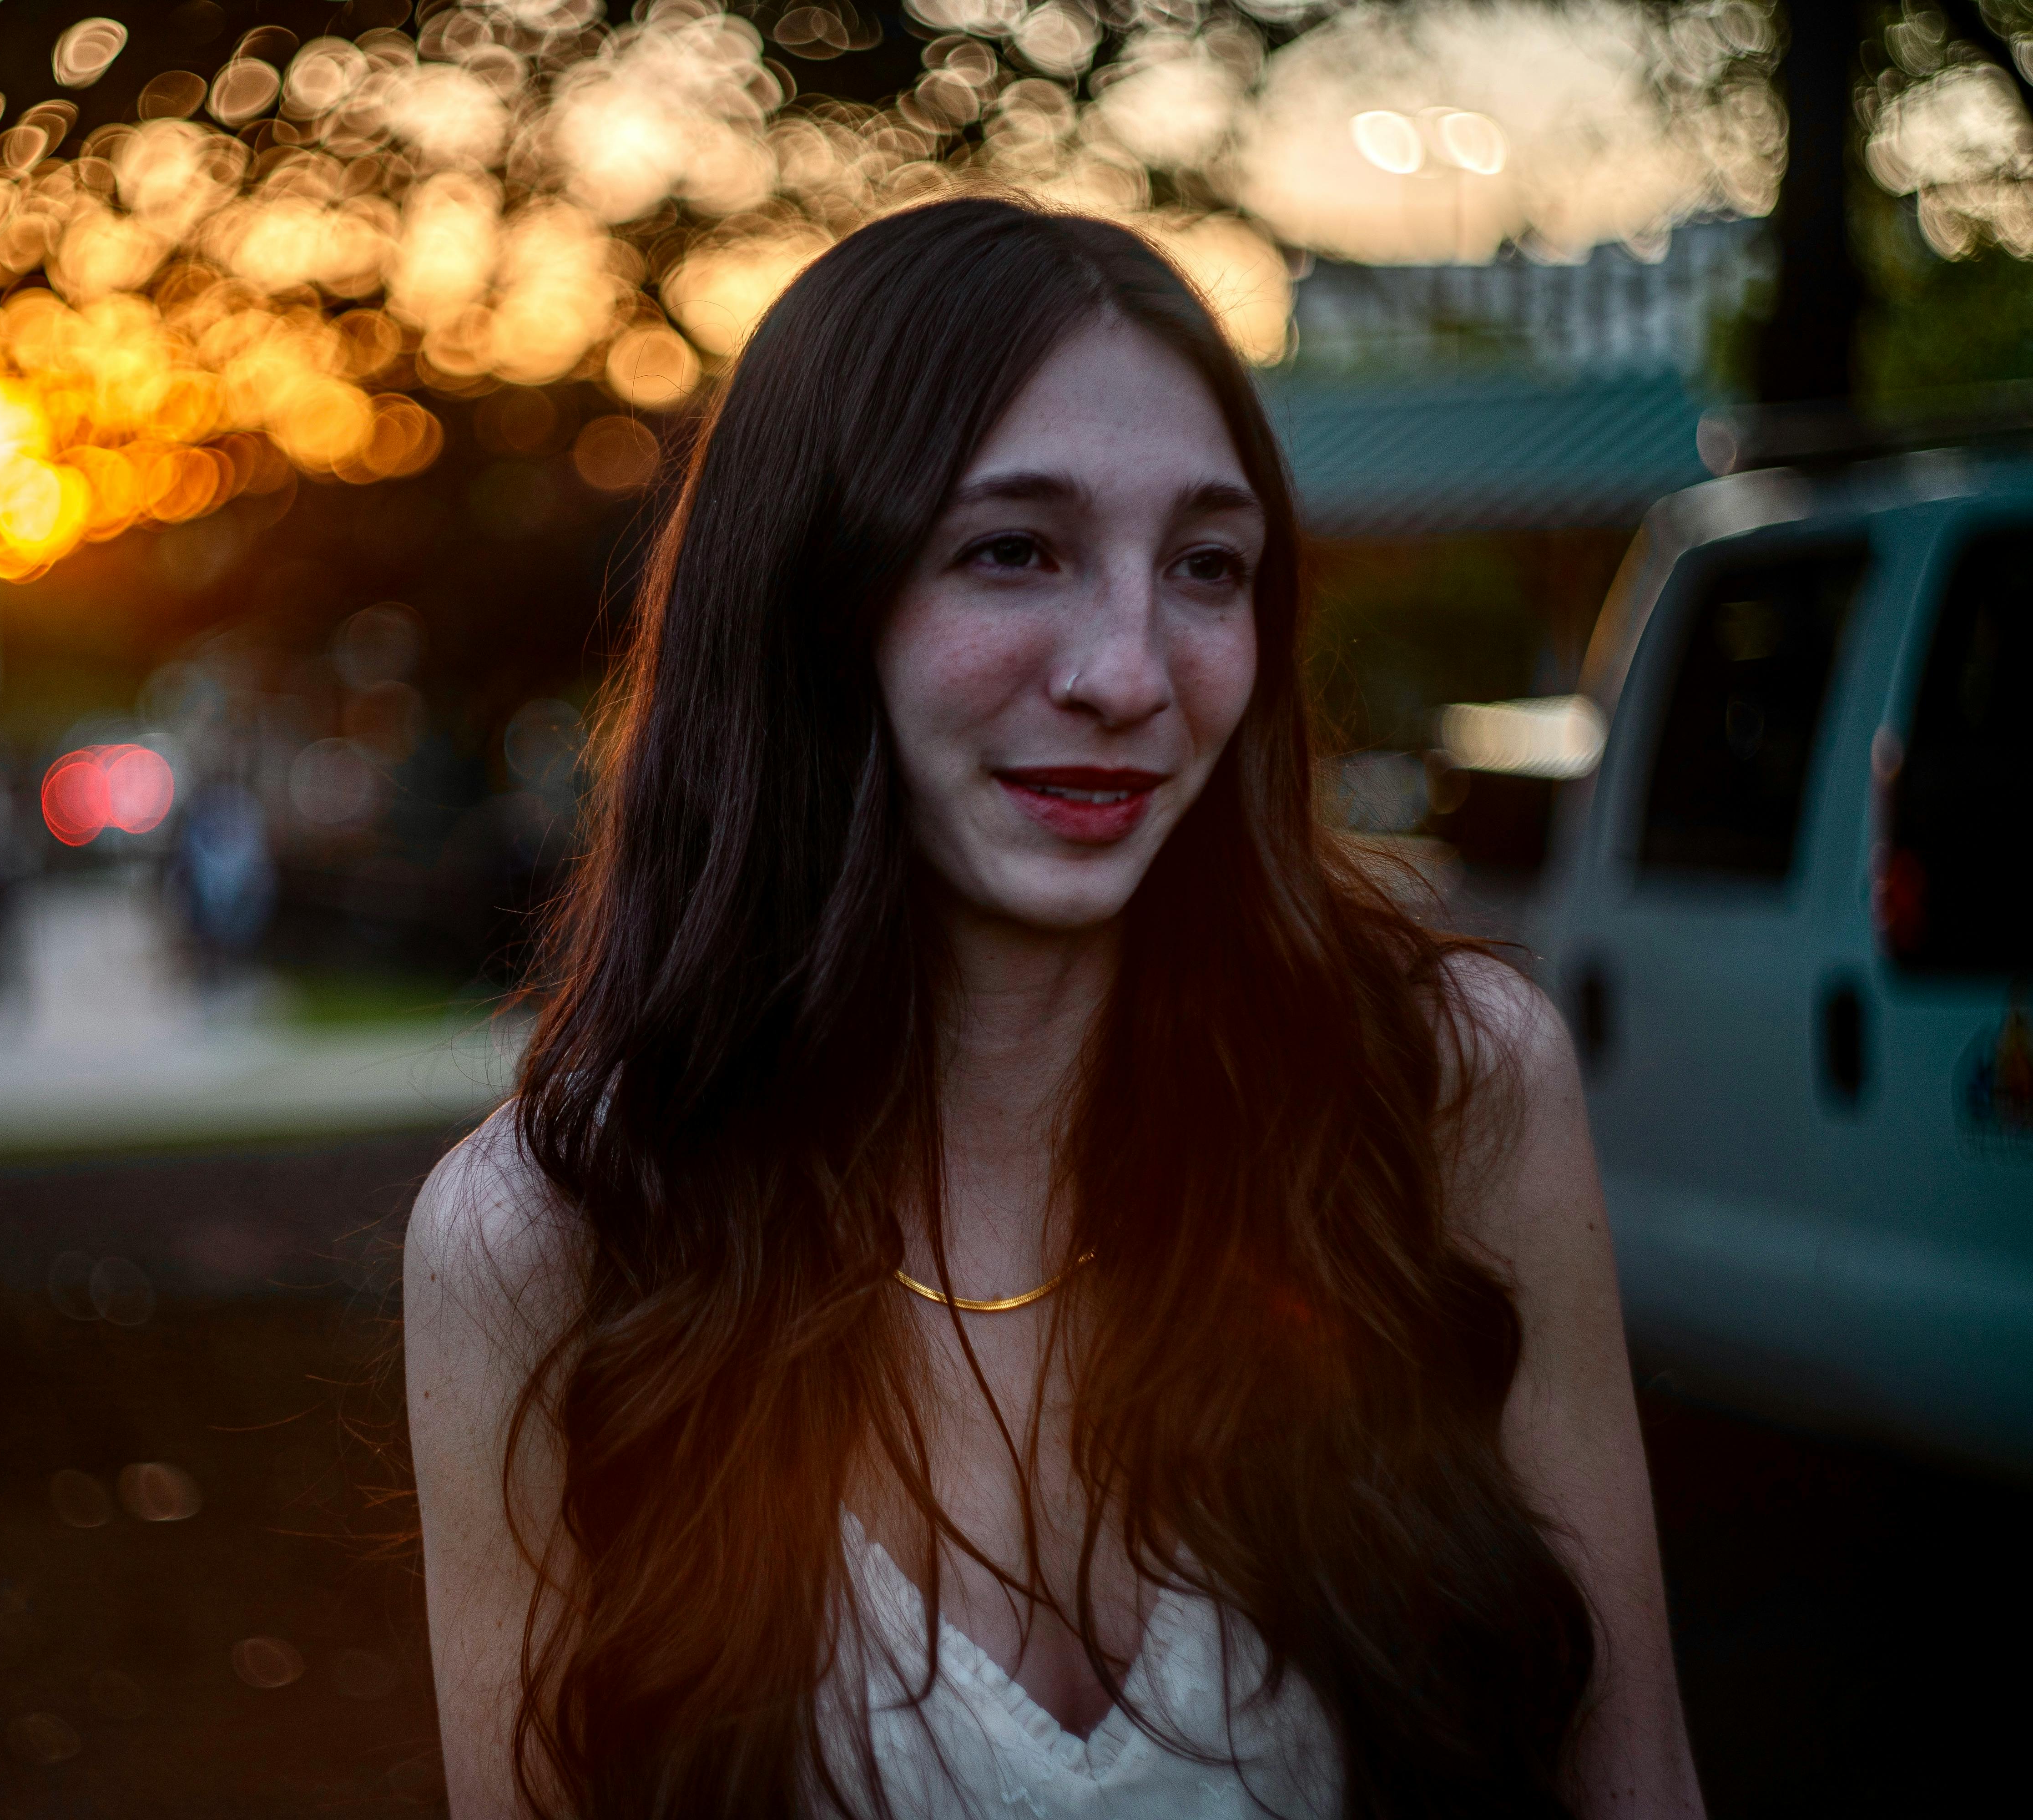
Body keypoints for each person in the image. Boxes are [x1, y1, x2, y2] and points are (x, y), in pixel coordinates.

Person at [405, 196, 1701, 1819]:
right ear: (812, 601)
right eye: (1012, 549)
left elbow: (1631, 1777)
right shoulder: (547, 1238)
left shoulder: (1445, 1097)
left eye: (1205, 567)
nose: (1127, 671)